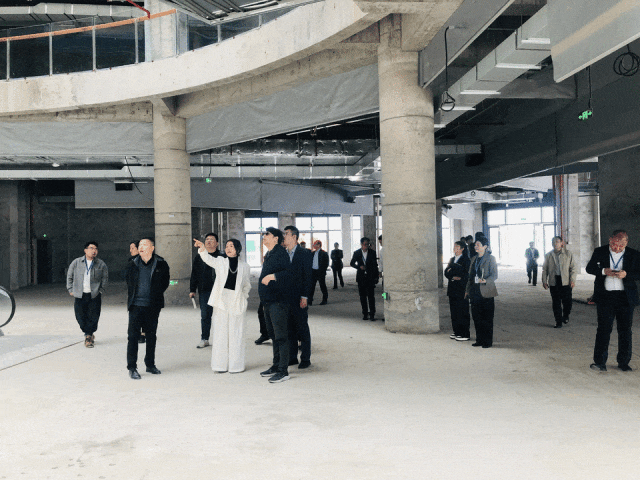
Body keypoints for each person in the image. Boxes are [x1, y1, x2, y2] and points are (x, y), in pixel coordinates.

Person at [194, 238, 251, 373]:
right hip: (221, 302)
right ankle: (219, 365)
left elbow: (246, 284)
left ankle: (236, 366)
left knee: (236, 334)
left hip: (237, 301)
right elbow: (208, 259)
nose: (228, 248)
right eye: (226, 246)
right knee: (220, 334)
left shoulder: (245, 266)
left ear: (237, 249)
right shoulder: (220, 261)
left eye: (231, 246)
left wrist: (243, 297)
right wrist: (202, 248)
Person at [586, 230, 640, 372]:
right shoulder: (600, 251)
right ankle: (600, 362)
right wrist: (603, 271)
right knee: (603, 329)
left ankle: (623, 362)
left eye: (621, 246)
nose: (617, 248)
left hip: (625, 298)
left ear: (626, 243)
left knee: (625, 331)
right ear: (610, 240)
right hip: (605, 297)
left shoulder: (634, 254)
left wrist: (626, 274)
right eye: (615, 244)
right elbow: (589, 268)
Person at [125, 237, 170, 380]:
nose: (141, 247)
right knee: (133, 337)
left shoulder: (161, 263)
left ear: (152, 248)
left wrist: (155, 295)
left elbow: (165, 282)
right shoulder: (132, 263)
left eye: (145, 244)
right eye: (140, 245)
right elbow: (128, 281)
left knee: (151, 336)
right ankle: (132, 367)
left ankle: (150, 364)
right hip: (136, 305)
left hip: (152, 306)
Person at [274, 225, 313, 368]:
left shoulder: (304, 253)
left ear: (294, 237)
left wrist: (305, 296)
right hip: (286, 297)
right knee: (289, 327)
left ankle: (305, 359)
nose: (284, 236)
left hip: (299, 297)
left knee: (302, 328)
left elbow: (308, 277)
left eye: (286, 234)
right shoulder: (283, 254)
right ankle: (292, 357)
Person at [258, 227, 293, 383]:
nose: (264, 236)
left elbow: (289, 273)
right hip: (268, 301)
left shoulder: (280, 253)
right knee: (273, 335)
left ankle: (283, 371)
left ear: (276, 238)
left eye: (267, 234)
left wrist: (273, 276)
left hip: (278, 301)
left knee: (281, 336)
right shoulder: (270, 253)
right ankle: (276, 365)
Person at [66, 241, 109, 348]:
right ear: (85, 250)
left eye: (96, 249)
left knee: (93, 316)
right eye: (91, 248)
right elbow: (69, 276)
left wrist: (101, 290)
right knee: (80, 316)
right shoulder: (76, 262)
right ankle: (88, 332)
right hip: (80, 294)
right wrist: (70, 289)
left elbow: (105, 278)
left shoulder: (101, 264)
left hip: (94, 294)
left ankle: (88, 336)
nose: (94, 251)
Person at [189, 232, 223, 349]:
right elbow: (194, 273)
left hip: (219, 291)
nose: (209, 241)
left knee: (220, 316)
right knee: (205, 315)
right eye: (207, 239)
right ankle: (205, 339)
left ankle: (221, 339)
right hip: (204, 290)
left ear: (217, 243)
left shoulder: (222, 256)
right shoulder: (199, 256)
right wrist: (192, 289)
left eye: (212, 239)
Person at [465, 237, 498, 348]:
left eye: (478, 245)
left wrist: (486, 280)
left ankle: (487, 341)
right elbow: (470, 277)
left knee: (487, 318)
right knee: (476, 317)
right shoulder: (473, 259)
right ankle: (479, 340)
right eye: (475, 245)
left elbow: (494, 275)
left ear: (485, 246)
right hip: (474, 291)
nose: (476, 247)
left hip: (486, 291)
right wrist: (467, 290)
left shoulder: (491, 258)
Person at [542, 236, 577, 329]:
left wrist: (572, 280)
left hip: (565, 281)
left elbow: (573, 268)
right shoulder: (548, 255)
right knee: (556, 302)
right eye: (553, 242)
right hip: (554, 281)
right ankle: (558, 322)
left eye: (557, 241)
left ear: (562, 243)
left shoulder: (568, 254)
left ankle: (565, 315)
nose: (555, 243)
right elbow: (545, 269)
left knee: (567, 302)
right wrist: (544, 281)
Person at [444, 241, 471, 341]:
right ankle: (457, 331)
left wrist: (452, 271)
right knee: (454, 311)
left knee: (462, 311)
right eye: (454, 246)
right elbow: (446, 272)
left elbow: (465, 274)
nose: (455, 248)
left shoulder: (466, 260)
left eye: (457, 247)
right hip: (452, 288)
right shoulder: (452, 259)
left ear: (462, 249)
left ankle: (465, 333)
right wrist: (452, 275)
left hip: (461, 288)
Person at [350, 237, 379, 321]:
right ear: (361, 244)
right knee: (363, 297)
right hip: (361, 278)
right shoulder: (357, 253)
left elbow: (375, 265)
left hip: (370, 277)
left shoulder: (372, 253)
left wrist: (376, 277)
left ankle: (372, 314)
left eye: (368, 244)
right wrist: (359, 267)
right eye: (365, 244)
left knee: (371, 297)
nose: (366, 246)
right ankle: (365, 313)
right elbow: (352, 263)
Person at [309, 240, 329, 305]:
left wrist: (322, 271)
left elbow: (326, 263)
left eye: (315, 244)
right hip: (313, 272)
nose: (314, 246)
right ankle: (310, 300)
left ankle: (325, 300)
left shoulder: (324, 253)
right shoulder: (312, 253)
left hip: (320, 273)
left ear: (318, 245)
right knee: (311, 287)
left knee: (322, 286)